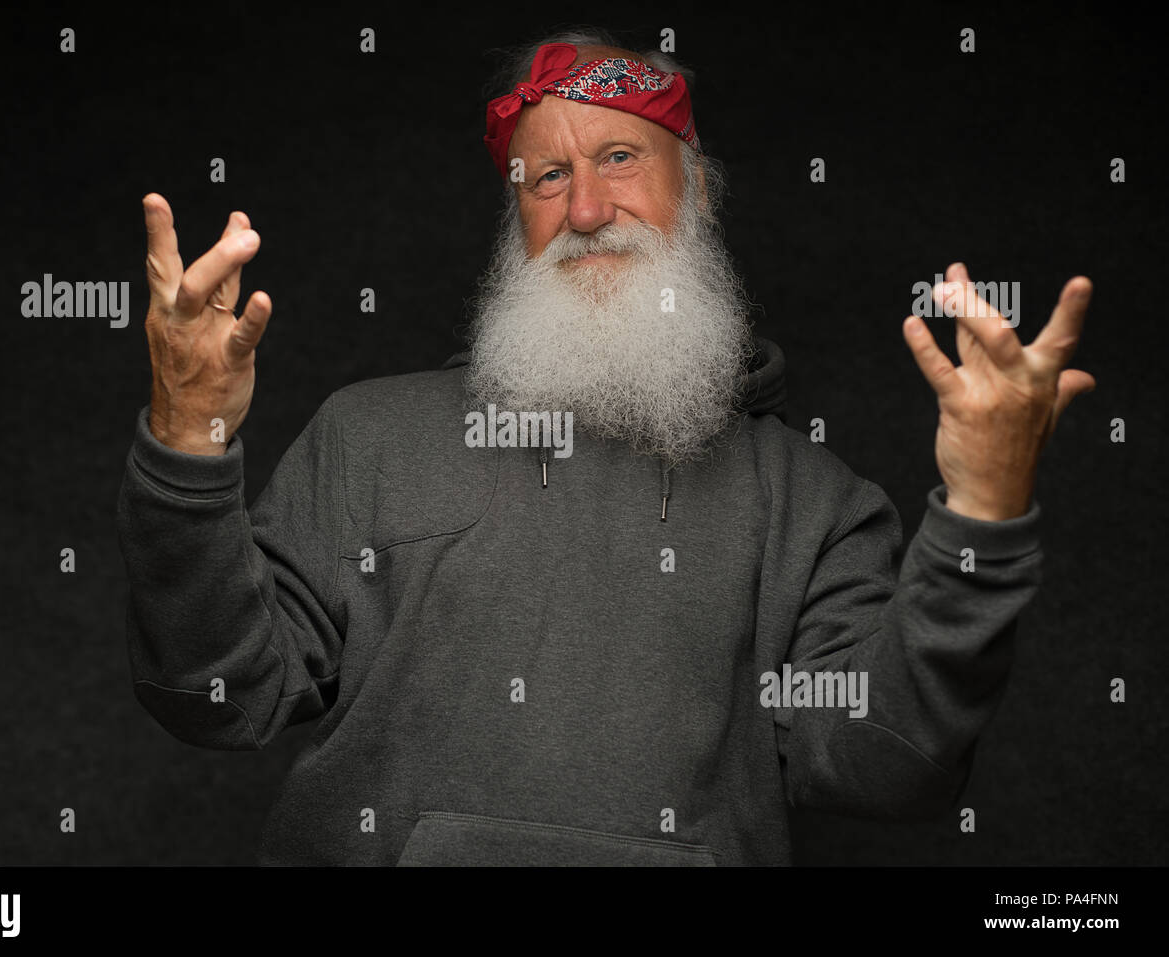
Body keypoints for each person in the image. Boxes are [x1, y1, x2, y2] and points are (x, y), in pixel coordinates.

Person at [116, 30, 1094, 866]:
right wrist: (187, 437)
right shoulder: (369, 434)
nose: (584, 210)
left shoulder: (817, 504)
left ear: (698, 195)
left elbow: (891, 767)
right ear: (519, 224)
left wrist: (984, 511)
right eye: (546, 178)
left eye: (620, 158)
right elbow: (215, 699)